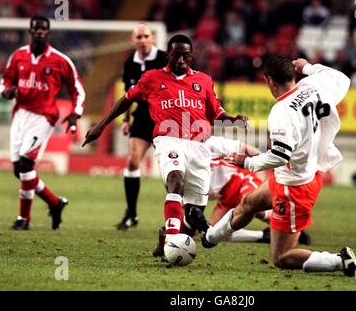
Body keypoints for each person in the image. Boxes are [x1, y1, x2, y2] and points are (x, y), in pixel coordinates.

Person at [192, 56, 356, 280]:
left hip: (296, 186)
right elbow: (342, 79)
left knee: (282, 257)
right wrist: (308, 67)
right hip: (296, 174)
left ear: (269, 81)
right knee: (249, 203)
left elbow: (280, 154)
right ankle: (211, 237)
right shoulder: (314, 85)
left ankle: (340, 260)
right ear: (293, 74)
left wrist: (247, 163)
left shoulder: (281, 111)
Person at [82, 34, 247, 256]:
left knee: (193, 212)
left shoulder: (204, 81)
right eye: (176, 55)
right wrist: (101, 126)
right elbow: (126, 99)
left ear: (191, 56)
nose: (180, 60)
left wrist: (233, 120)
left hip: (198, 145)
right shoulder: (152, 78)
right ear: (168, 54)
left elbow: (218, 113)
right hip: (168, 139)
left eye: (185, 56)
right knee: (175, 182)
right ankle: (171, 240)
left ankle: (167, 234)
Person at [0, 16, 85, 230]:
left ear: (48, 33)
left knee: (27, 164)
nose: (39, 31)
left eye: (43, 29)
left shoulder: (60, 60)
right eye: (36, 28)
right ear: (30, 30)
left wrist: (75, 112)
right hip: (20, 115)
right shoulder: (18, 56)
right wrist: (6, 91)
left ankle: (24, 219)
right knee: (19, 171)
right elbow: (6, 80)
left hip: (44, 117)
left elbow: (77, 89)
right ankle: (55, 203)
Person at [116, 23, 167, 230]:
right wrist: (126, 120)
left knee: (170, 171)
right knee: (132, 162)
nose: (143, 40)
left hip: (165, 118)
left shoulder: (164, 59)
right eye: (139, 37)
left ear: (153, 39)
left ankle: (182, 217)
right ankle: (131, 213)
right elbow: (128, 94)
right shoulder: (130, 64)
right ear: (133, 41)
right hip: (142, 118)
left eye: (146, 36)